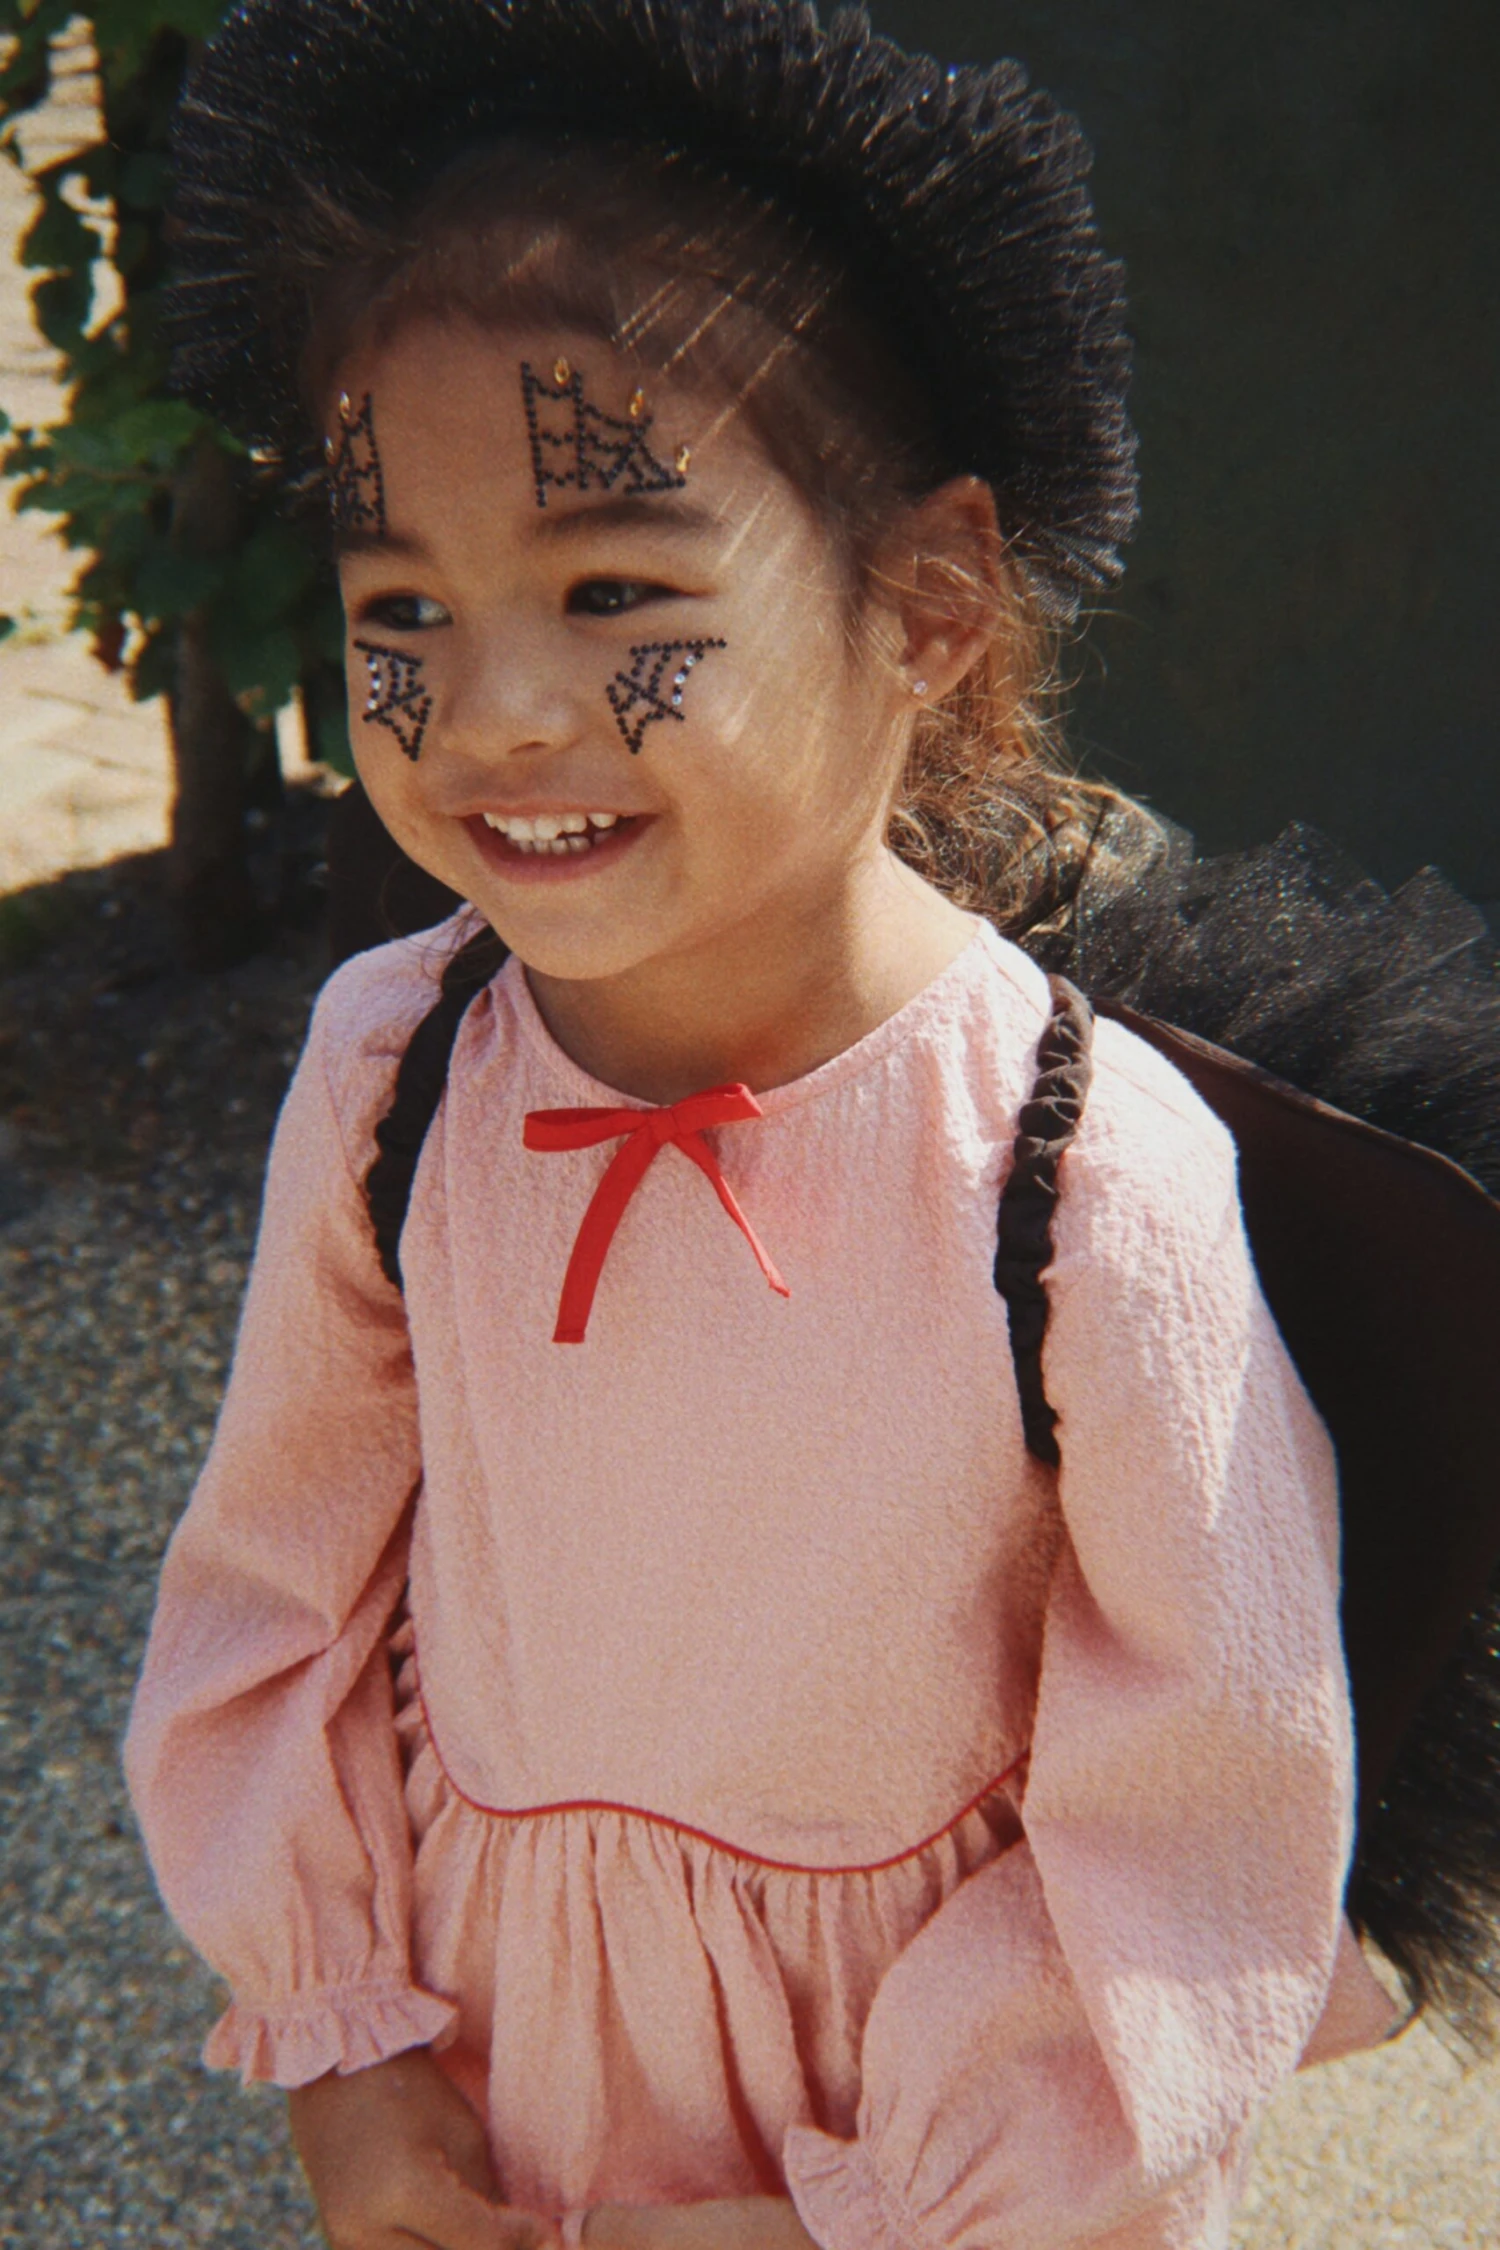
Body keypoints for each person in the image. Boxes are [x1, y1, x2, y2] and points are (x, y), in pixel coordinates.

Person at [125, 4, 1473, 2247]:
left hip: (937, 2147)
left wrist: (908, 2193)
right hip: (514, 2076)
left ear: (928, 603)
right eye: (403, 606)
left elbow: (1206, 1785)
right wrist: (343, 2045)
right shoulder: (396, 1073)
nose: (495, 711)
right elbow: (278, 1580)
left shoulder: (1077, 1175)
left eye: (612, 592)